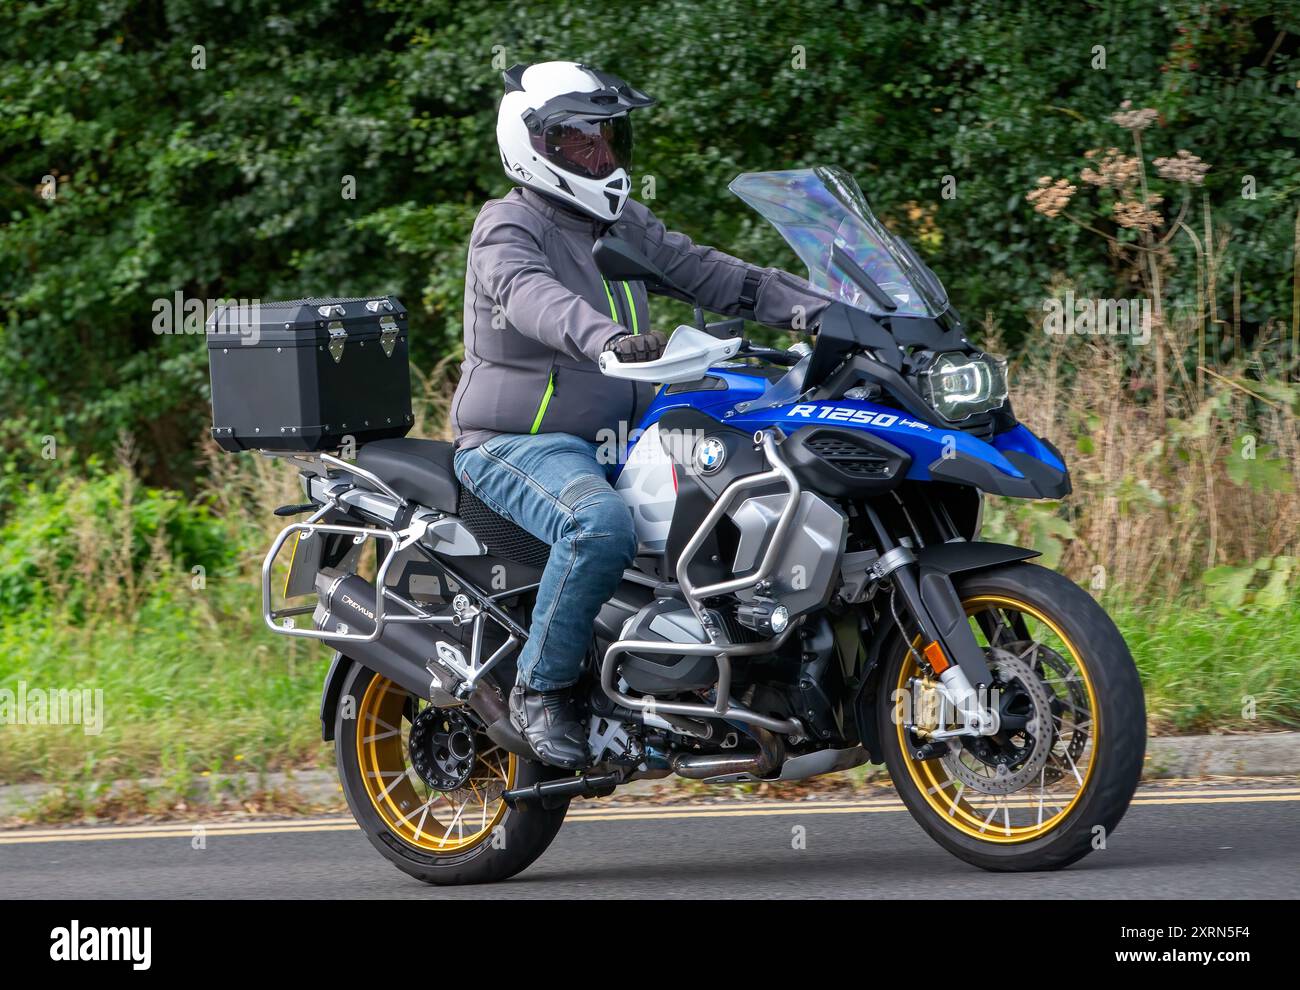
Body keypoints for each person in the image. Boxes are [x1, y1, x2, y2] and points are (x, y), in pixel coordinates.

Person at [450, 61, 828, 768]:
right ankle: (540, 688)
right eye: (580, 140)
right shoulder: (507, 227)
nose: (601, 154)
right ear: (535, 144)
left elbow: (717, 275)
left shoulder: (619, 221)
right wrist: (608, 340)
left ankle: (735, 666)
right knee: (600, 524)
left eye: (608, 137)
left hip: (626, 434)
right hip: (521, 443)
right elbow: (533, 297)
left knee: (761, 471)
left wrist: (831, 312)